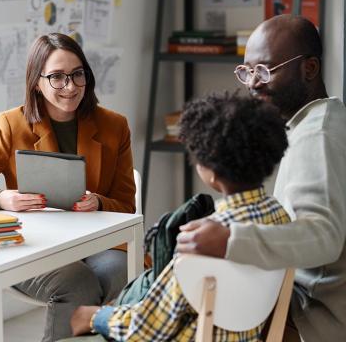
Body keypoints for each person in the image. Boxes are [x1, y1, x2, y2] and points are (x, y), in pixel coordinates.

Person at [0, 33, 136, 342]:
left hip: (99, 243)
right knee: (77, 284)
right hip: (37, 244)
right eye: (57, 77)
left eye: (78, 74)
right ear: (37, 81)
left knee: (113, 272)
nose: (71, 86)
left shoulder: (114, 126)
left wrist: (99, 203)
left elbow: (126, 204)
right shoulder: (12, 125)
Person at [67, 92, 291, 341]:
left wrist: (95, 317)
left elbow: (148, 329)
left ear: (212, 173)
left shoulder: (202, 241)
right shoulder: (280, 219)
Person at [177, 15, 346, 342]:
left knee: (192, 313)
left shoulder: (317, 136)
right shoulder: (323, 117)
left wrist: (230, 238)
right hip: (303, 295)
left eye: (266, 69)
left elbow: (324, 236)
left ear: (309, 69)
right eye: (247, 71)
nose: (253, 82)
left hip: (315, 316)